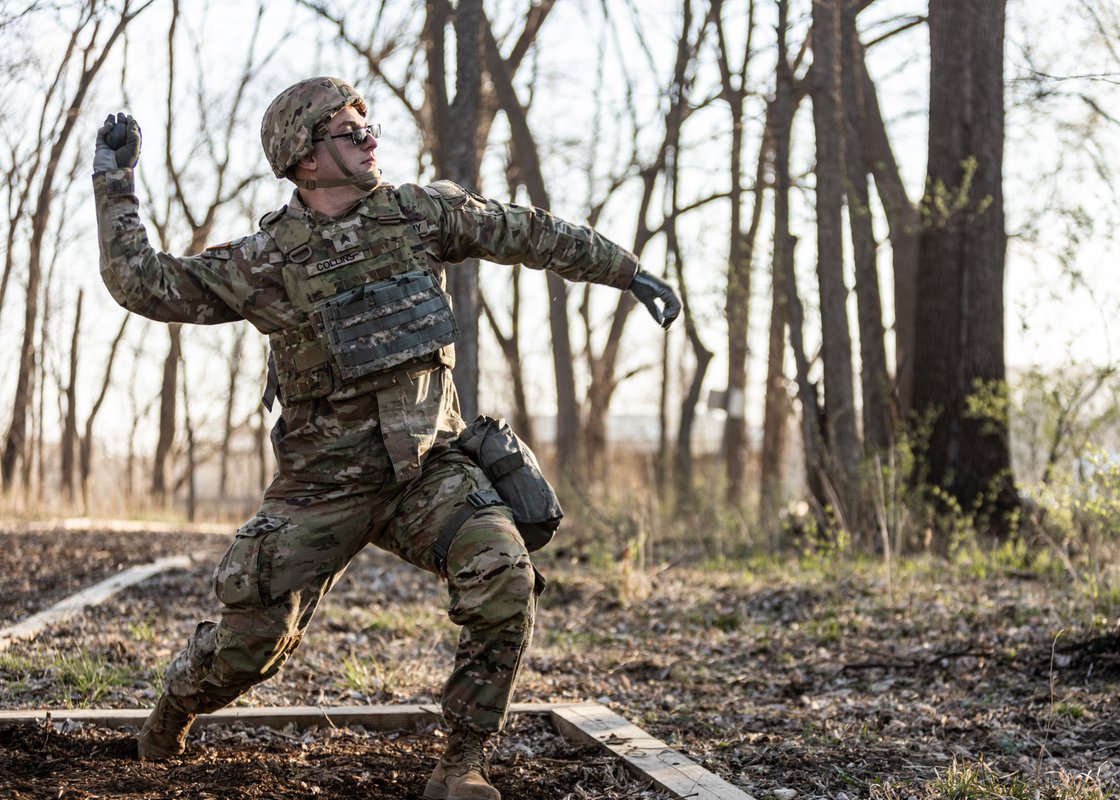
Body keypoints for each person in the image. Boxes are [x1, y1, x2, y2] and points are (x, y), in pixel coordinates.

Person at [92, 76, 680, 800]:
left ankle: (461, 765)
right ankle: (172, 713)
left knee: (505, 580)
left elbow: (529, 231)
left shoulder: (419, 214)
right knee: (249, 651)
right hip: (320, 490)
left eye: (367, 124)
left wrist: (628, 271)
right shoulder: (264, 261)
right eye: (347, 129)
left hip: (427, 475)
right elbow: (143, 284)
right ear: (305, 160)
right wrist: (115, 182)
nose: (369, 137)